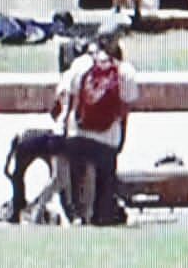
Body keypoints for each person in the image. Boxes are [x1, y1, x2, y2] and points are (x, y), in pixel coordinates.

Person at [54, 22, 139, 225]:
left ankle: (77, 217)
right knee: (105, 186)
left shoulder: (80, 65)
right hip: (107, 138)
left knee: (77, 180)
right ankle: (102, 217)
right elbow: (125, 110)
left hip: (78, 135)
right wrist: (120, 140)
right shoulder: (125, 71)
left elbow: (67, 99)